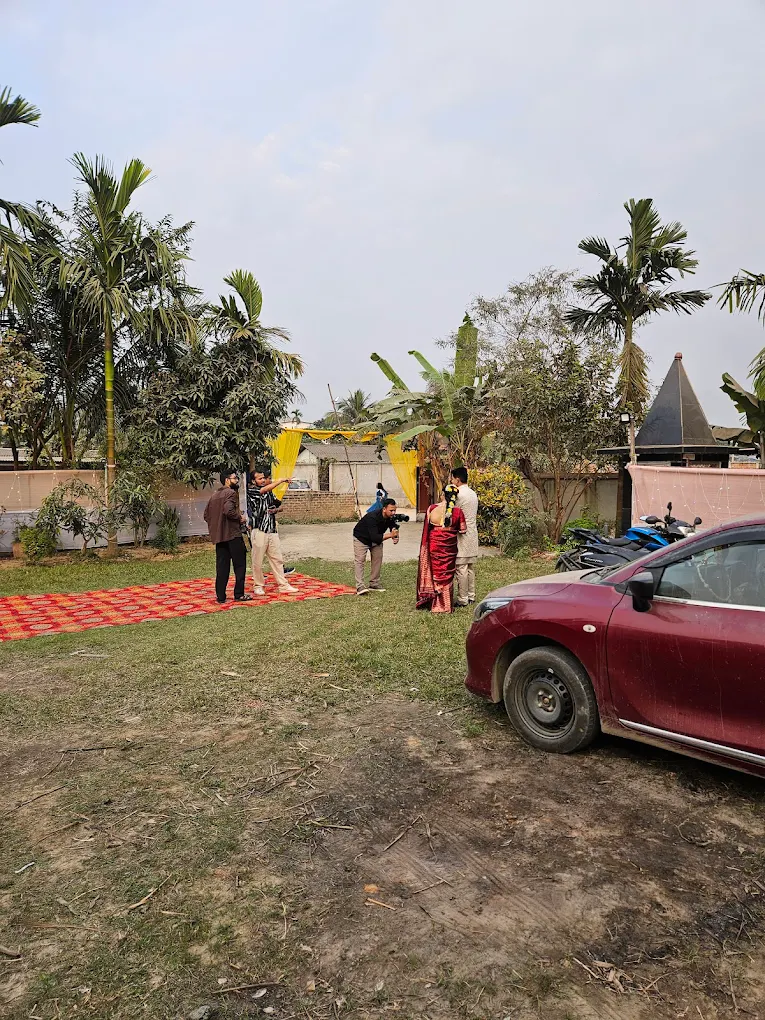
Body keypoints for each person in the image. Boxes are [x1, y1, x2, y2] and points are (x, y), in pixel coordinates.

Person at [247, 469, 299, 597]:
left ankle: (283, 585)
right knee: (257, 561)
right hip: (259, 529)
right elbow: (262, 491)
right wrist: (280, 481)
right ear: (253, 481)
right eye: (260, 479)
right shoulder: (252, 490)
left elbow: (277, 505)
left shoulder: (269, 492)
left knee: (277, 559)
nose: (263, 480)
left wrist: (275, 510)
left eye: (264, 478)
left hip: (271, 529)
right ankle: (258, 585)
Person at [203, 469, 252, 603]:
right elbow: (228, 511)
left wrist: (217, 526)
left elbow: (206, 515)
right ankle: (239, 594)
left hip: (220, 537)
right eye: (235, 478)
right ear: (227, 480)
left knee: (222, 567)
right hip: (233, 535)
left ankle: (221, 597)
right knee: (240, 565)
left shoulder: (214, 495)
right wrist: (240, 518)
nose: (237, 481)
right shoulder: (230, 493)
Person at [416, 484, 466, 613]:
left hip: (434, 545)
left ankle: (435, 603)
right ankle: (446, 605)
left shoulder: (431, 508)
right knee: (447, 573)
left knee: (436, 572)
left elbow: (428, 528)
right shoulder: (458, 512)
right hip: (449, 547)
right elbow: (463, 530)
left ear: (442, 494)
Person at [352, 497, 400, 595]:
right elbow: (375, 538)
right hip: (361, 538)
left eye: (394, 510)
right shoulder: (372, 517)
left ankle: (374, 583)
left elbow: (393, 526)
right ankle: (360, 586)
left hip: (375, 538)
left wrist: (395, 535)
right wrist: (390, 535)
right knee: (360, 560)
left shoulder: (390, 516)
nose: (393, 513)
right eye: (391, 510)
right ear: (384, 509)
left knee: (378, 558)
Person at [451, 466, 479, 607]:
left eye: (452, 478)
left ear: (457, 479)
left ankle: (462, 599)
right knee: (469, 567)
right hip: (473, 533)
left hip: (462, 535)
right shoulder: (473, 493)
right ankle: (471, 596)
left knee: (461, 567)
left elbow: (453, 514)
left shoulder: (458, 495)